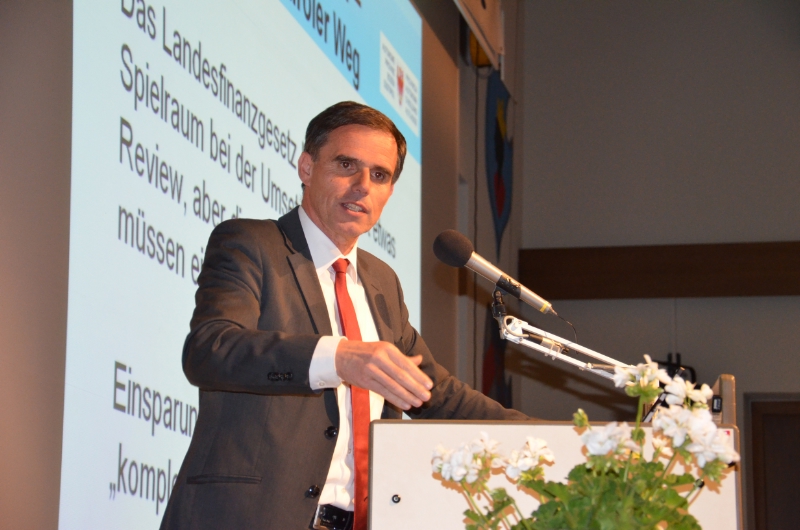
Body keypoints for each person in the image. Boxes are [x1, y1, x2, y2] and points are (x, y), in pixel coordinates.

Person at [159, 101, 527, 530]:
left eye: (380, 175)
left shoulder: (381, 281)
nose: (362, 186)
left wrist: (556, 437)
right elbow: (210, 350)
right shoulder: (251, 244)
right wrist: (338, 357)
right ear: (307, 167)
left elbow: (437, 394)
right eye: (346, 165)